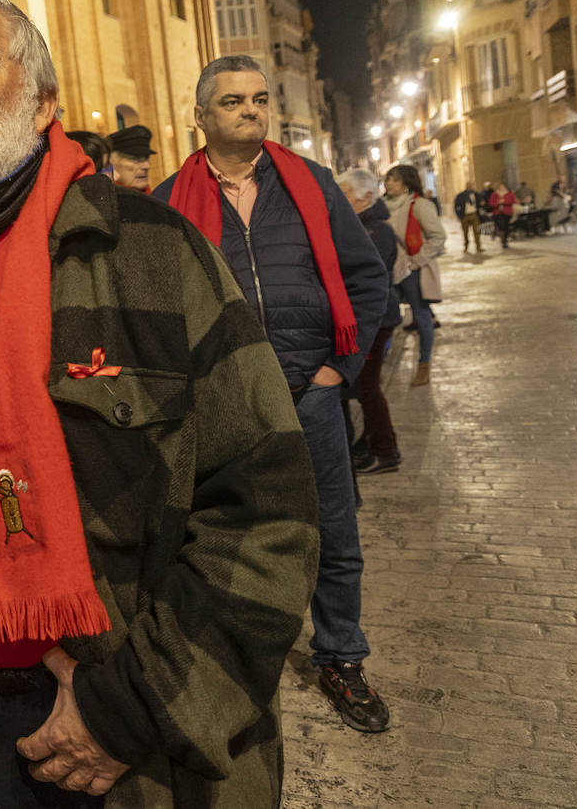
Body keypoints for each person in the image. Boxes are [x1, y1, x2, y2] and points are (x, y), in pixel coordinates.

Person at [0, 0, 320, 807]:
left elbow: (268, 510)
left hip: (124, 739)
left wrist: (127, 708)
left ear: (44, 99)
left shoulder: (152, 256)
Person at [155, 54, 391, 735]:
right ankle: (237, 666)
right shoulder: (169, 204)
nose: (252, 111)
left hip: (311, 398)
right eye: (232, 102)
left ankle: (341, 657)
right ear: (200, 116)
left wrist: (336, 375)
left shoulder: (309, 185)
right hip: (227, 409)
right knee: (228, 543)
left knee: (335, 538)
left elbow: (369, 281)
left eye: (259, 99)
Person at [336, 172, 402, 474]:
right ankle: (370, 442)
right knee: (364, 385)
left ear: (366, 198)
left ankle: (386, 450)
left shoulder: (376, 230)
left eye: (346, 193)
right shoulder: (363, 226)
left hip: (375, 318)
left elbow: (365, 277)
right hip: (371, 317)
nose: (341, 199)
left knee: (367, 385)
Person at [383, 165, 446, 387]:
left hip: (412, 271)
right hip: (388, 271)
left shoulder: (419, 205)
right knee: (386, 316)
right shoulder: (381, 206)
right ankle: (380, 361)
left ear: (407, 183)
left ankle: (424, 365)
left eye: (395, 180)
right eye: (388, 179)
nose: (389, 183)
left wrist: (415, 262)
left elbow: (438, 237)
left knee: (421, 317)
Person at [108, 124, 155, 191]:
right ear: (111, 163)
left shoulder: (157, 196)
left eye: (147, 158)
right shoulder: (101, 200)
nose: (147, 166)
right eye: (136, 159)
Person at [453, 181, 482, 252]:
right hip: (465, 215)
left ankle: (478, 247)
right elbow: (456, 205)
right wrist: (459, 215)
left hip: (474, 214)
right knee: (465, 232)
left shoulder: (476, 194)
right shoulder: (461, 195)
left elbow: (481, 202)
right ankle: (466, 247)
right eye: (468, 185)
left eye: (471, 185)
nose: (469, 186)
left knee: (476, 231)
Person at [488, 182, 519, 249]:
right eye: (500, 187)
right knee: (500, 226)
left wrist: (504, 202)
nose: (502, 188)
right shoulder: (494, 194)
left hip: (507, 213)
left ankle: (504, 240)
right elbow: (491, 203)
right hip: (497, 213)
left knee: (506, 227)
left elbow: (513, 201)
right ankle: (502, 238)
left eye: (503, 187)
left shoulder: (509, 194)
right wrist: (498, 203)